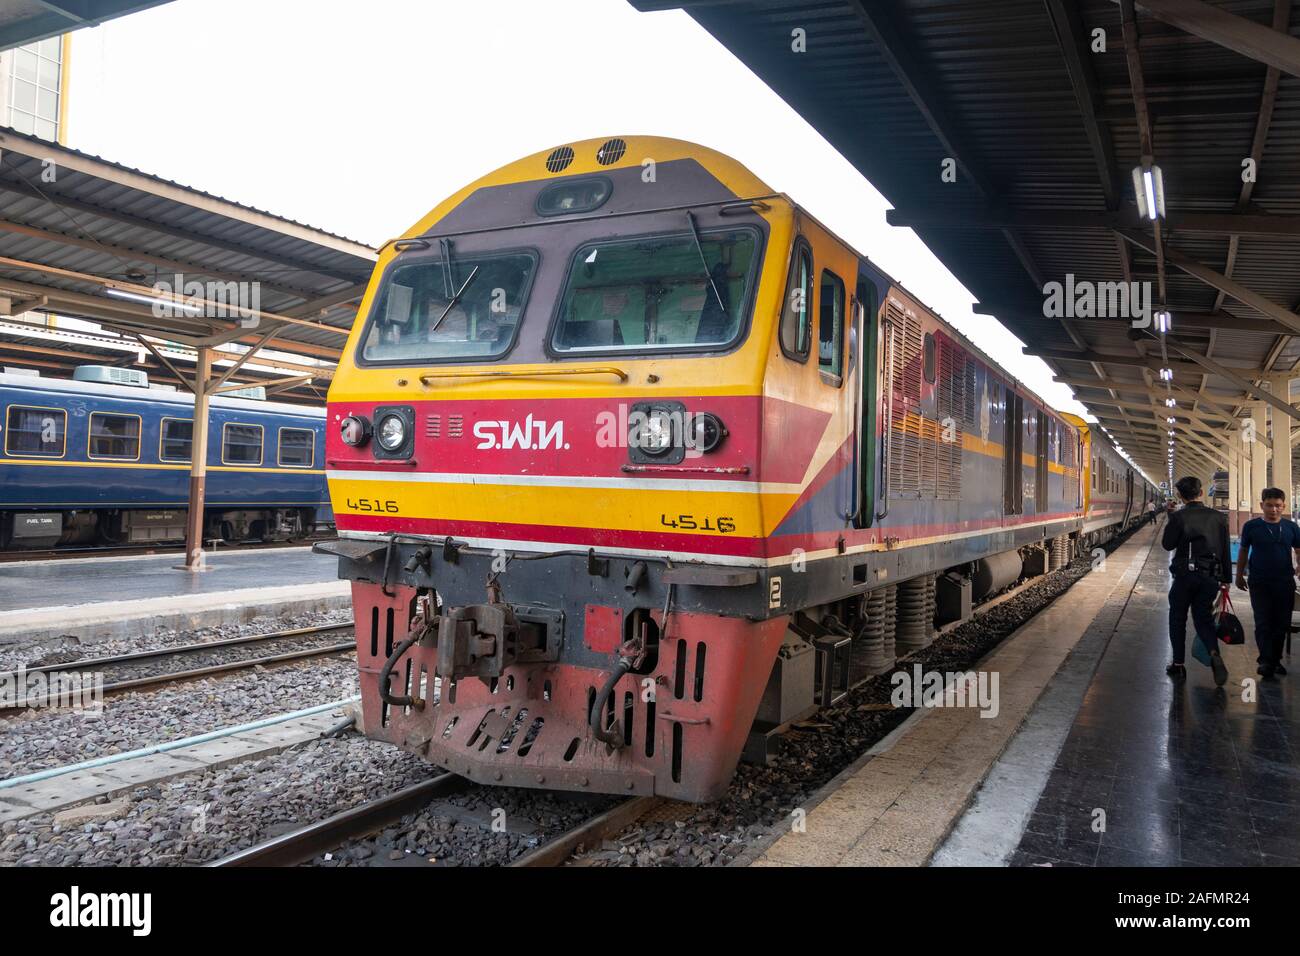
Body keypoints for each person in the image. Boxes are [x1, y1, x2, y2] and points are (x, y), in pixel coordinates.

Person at [1162, 475, 1231, 684]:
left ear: (1180, 496)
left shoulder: (1179, 517)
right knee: (1203, 618)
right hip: (1209, 577)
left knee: (1177, 618)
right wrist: (1225, 579)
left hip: (1185, 576)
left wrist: (1172, 520)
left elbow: (1168, 545)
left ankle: (1178, 665)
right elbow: (1225, 550)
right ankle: (1213, 653)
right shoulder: (1219, 518)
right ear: (1201, 493)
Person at [1235, 488, 1300, 679]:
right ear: (1262, 505)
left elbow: (1298, 549)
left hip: (1284, 581)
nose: (1273, 510)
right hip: (1259, 581)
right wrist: (1239, 575)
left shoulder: (1291, 528)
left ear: (1284, 506)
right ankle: (1265, 660)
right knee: (1263, 622)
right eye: (1269, 505)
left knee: (1281, 623)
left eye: (1278, 506)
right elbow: (1243, 551)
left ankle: (1275, 660)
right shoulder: (1251, 526)